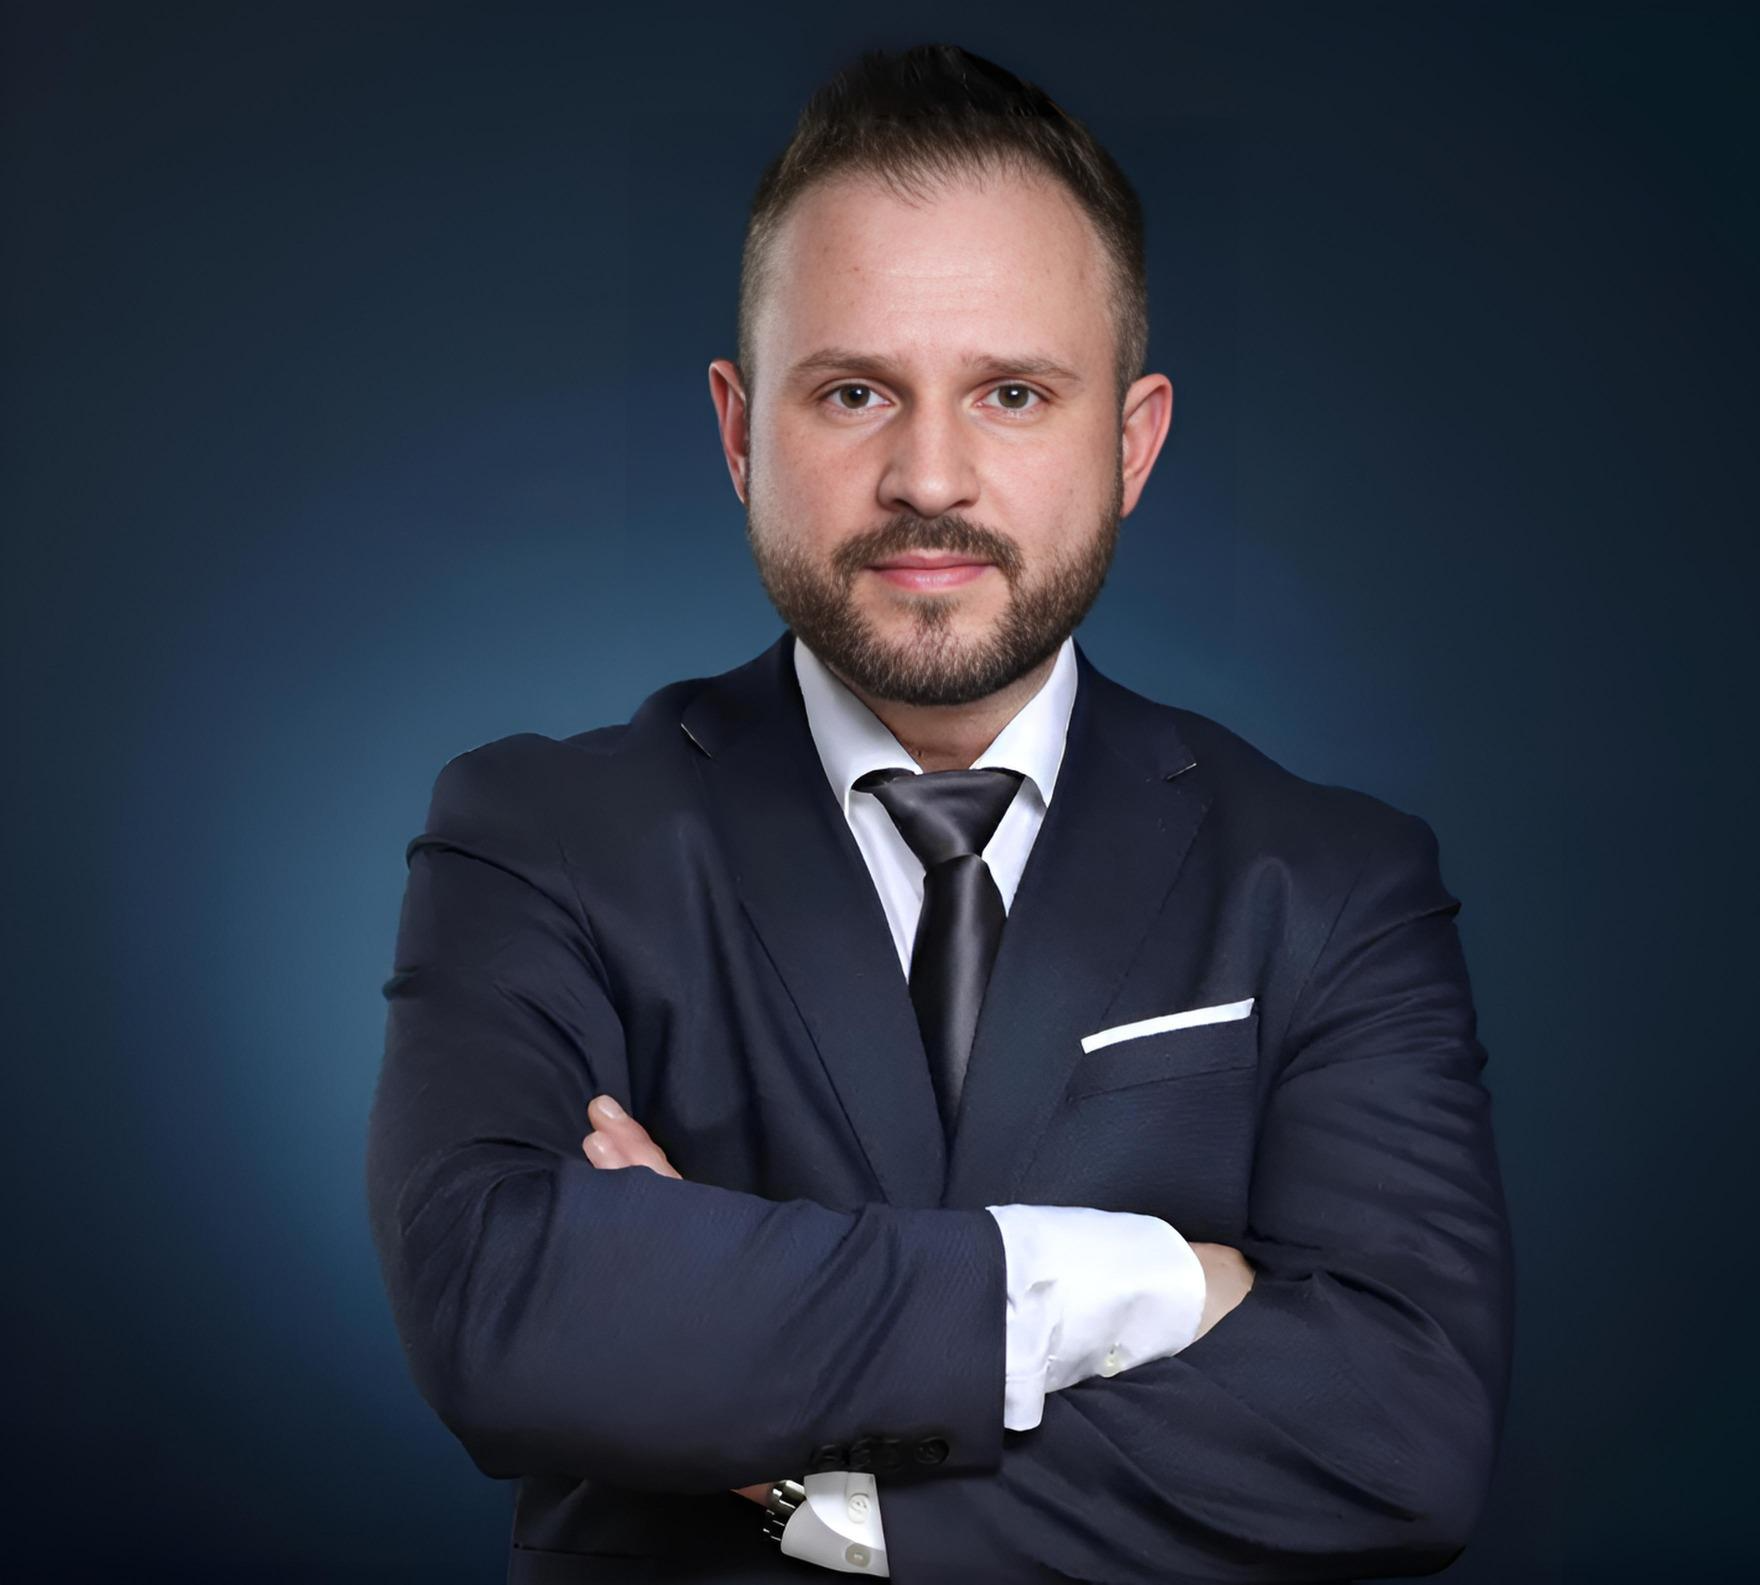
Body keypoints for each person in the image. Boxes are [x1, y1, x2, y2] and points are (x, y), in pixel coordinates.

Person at [365, 40, 1514, 1585]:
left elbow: (1399, 1434)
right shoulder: (541, 835)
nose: (929, 476)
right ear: (739, 431)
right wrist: (1134, 1284)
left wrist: (814, 1480)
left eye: (1013, 394)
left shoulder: (1333, 882)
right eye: (854, 392)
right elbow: (501, 1309)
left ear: (1132, 443)